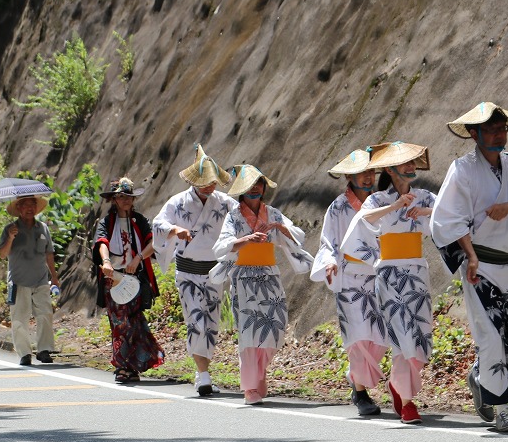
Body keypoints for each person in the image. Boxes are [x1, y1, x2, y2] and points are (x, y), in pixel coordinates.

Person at [431, 102, 508, 434]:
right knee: (490, 334)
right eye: (492, 130)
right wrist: (469, 256)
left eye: (502, 129)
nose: (499, 135)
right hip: (480, 264)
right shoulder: (462, 169)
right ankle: (503, 410)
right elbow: (448, 218)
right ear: (474, 134)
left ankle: (481, 375)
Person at [342, 142, 435, 425]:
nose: (411, 166)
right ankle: (407, 402)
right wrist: (395, 206)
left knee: (421, 338)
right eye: (404, 163)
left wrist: (425, 212)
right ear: (390, 170)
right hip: (390, 275)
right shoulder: (378, 199)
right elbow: (363, 219)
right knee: (402, 335)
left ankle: (397, 383)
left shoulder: (424, 196)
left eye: (412, 162)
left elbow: (452, 212)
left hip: (417, 272)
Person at [212, 165, 313, 405]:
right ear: (242, 189)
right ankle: (250, 387)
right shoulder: (234, 216)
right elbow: (221, 247)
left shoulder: (273, 213)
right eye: (251, 185)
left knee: (276, 326)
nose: (256, 188)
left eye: (259, 184)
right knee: (248, 332)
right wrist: (246, 239)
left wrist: (278, 227)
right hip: (244, 277)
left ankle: (260, 370)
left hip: (269, 275)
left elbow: (298, 236)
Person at [309, 148, 387, 417]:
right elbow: (328, 241)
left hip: (378, 275)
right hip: (349, 278)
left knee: (380, 338)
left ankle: (355, 376)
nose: (367, 177)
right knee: (357, 337)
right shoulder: (338, 207)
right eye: (361, 173)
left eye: (370, 172)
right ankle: (361, 393)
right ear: (349, 176)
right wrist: (329, 262)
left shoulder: (381, 202)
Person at [152, 144, 234, 397]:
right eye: (205, 181)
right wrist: (174, 230)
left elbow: (244, 218)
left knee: (210, 324)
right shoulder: (177, 202)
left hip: (214, 272)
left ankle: (203, 373)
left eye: (213, 181)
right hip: (188, 272)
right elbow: (158, 223)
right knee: (196, 321)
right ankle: (203, 375)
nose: (210, 186)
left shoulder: (224, 203)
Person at [92, 177, 164, 384]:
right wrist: (106, 261)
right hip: (114, 278)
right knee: (120, 323)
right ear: (114, 200)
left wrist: (138, 258)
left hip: (136, 278)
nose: (125, 200)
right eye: (121, 197)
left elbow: (153, 242)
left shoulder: (140, 221)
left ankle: (132, 367)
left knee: (133, 322)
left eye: (128, 197)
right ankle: (122, 366)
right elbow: (102, 243)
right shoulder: (107, 222)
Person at [0, 193, 61, 366]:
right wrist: (10, 238)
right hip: (18, 281)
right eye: (25, 205)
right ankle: (25, 353)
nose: (29, 208)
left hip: (41, 280)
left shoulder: (43, 228)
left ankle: (44, 350)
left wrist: (54, 277)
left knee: (45, 314)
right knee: (19, 318)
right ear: (18, 208)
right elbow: (2, 254)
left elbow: (49, 253)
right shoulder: (10, 229)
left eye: (32, 204)